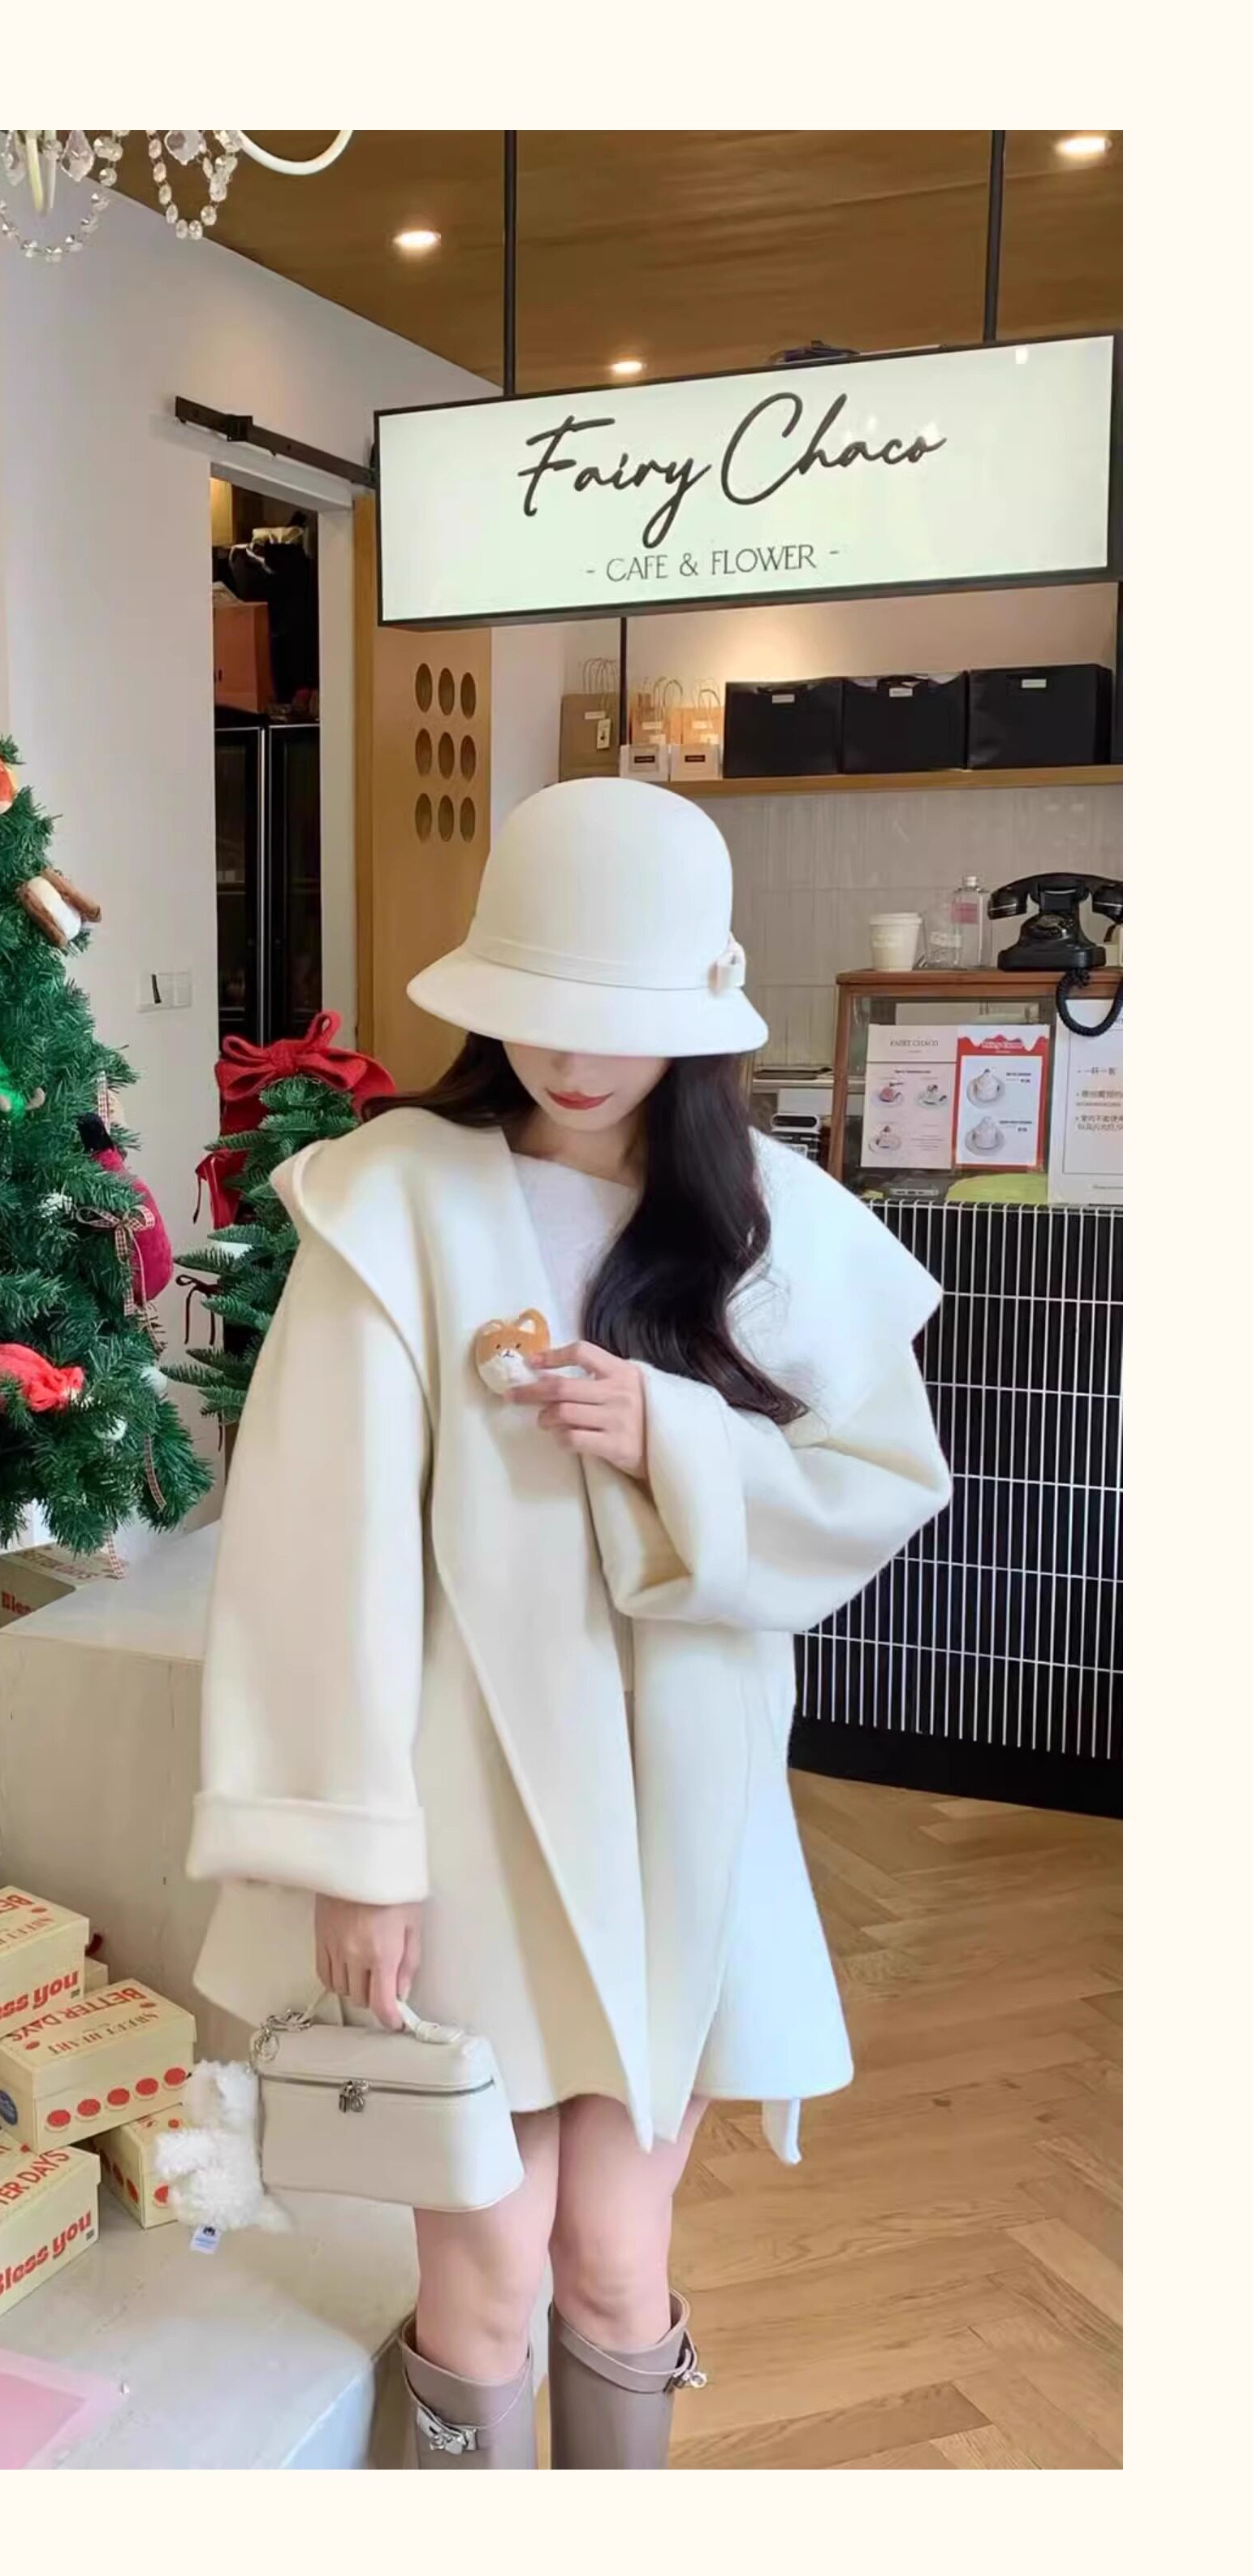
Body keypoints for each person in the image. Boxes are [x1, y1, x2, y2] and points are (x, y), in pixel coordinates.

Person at [186, 777, 952, 2470]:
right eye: (539, 1006)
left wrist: (674, 1435)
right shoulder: (393, 1201)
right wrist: (353, 1852)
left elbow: (878, 1486)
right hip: (465, 1814)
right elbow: (311, 1547)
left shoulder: (770, 1223)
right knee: (483, 2280)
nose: (574, 1056)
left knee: (616, 2263)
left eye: (617, 1015)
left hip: (684, 1818)